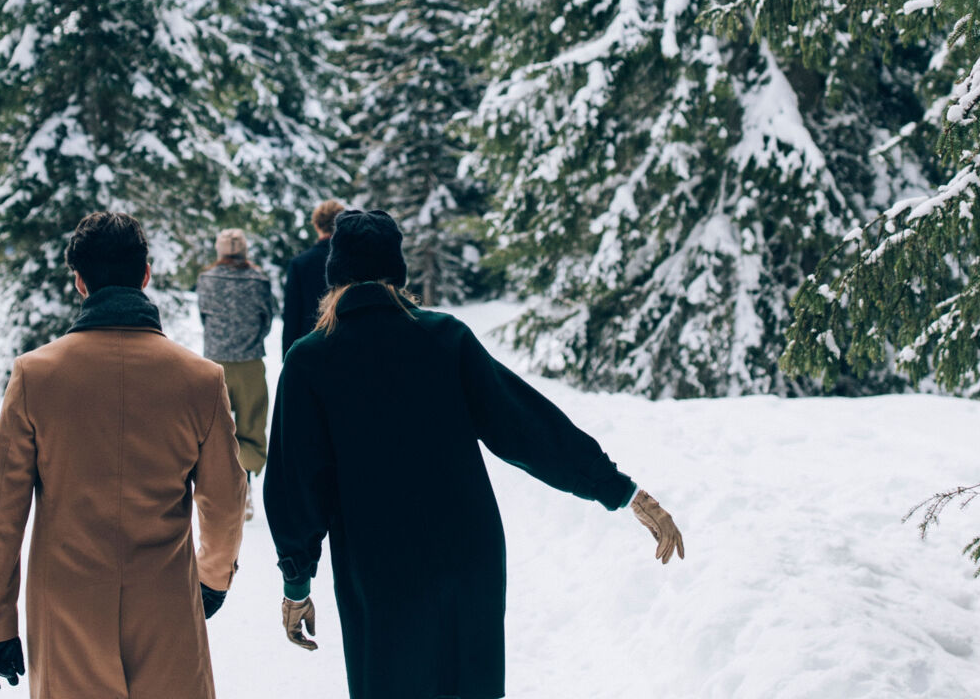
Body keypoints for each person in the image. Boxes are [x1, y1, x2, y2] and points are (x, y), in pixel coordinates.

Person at [264, 209, 685, 699]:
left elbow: (295, 485)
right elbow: (528, 426)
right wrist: (623, 491)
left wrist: (297, 582)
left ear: (335, 278)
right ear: (396, 275)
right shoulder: (444, 339)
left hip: (380, 573)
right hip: (469, 561)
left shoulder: (311, 359)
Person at [0, 212, 246, 697]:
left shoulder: (35, 376)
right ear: (145, 275)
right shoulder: (201, 379)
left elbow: (2, 515)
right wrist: (213, 576)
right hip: (166, 603)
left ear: (79, 281)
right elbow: (224, 502)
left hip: (66, 607)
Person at [196, 228, 277, 495]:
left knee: (216, 427)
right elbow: (267, 319)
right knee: (252, 426)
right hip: (250, 362)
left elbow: (204, 317)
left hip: (215, 363)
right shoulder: (258, 280)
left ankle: (222, 484)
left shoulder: (206, 279)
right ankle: (245, 483)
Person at [280, 199, 344, 356]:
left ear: (316, 225)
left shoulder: (300, 263)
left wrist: (288, 357)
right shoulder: (355, 260)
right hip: (349, 346)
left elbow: (292, 314)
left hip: (309, 346)